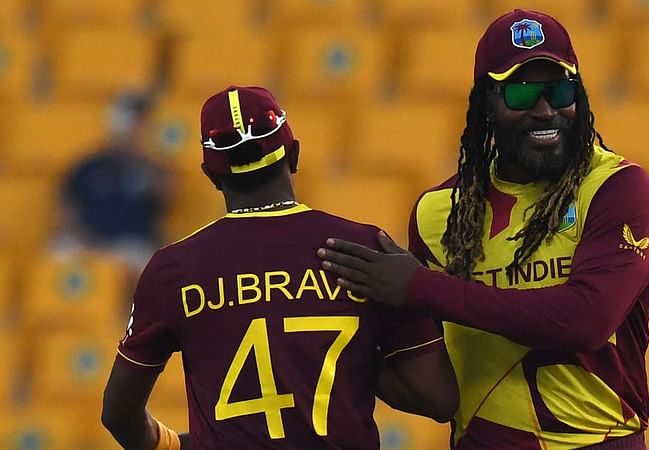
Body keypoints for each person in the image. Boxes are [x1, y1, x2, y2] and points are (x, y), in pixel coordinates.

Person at [318, 9, 649, 450]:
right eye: (521, 93)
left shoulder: (617, 189)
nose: (545, 110)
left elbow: (585, 320)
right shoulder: (439, 213)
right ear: (486, 104)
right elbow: (435, 387)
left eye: (560, 90)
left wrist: (422, 288)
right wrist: (338, 358)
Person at [101, 85, 458, 449]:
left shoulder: (173, 271)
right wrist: (356, 355)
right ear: (294, 154)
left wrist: (174, 445)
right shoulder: (365, 252)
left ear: (210, 175)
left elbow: (117, 412)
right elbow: (438, 398)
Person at [55, 90, 170, 275]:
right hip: (87, 242)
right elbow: (65, 212)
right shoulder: (88, 166)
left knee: (148, 266)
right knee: (60, 252)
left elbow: (166, 193)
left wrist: (144, 158)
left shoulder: (149, 167)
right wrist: (88, 242)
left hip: (130, 245)